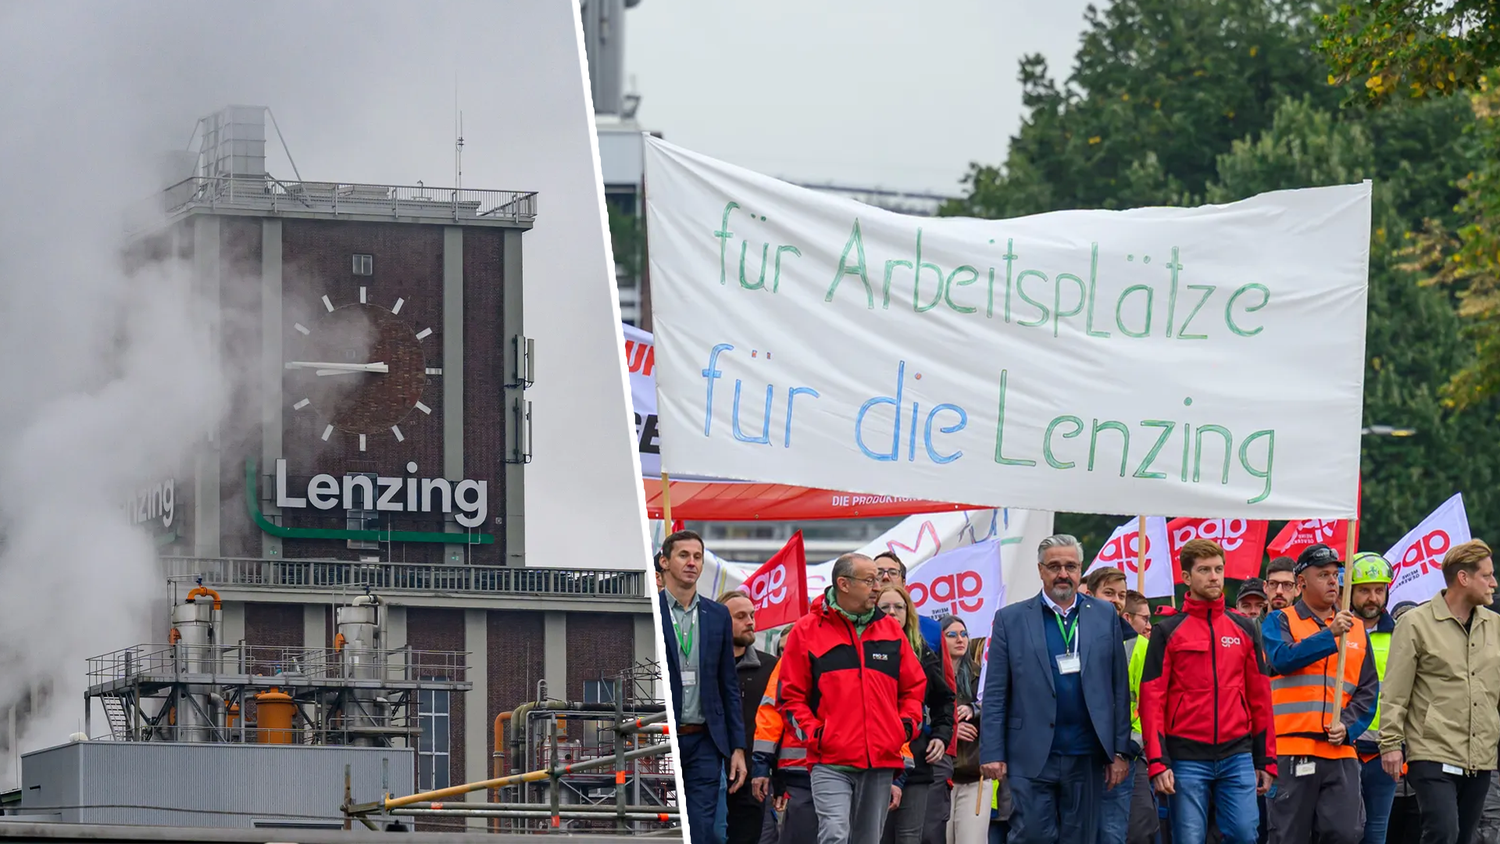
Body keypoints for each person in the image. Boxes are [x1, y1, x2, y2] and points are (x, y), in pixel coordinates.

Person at [980, 534, 1132, 844]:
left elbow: (1118, 688)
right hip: (1031, 753)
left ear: (1080, 570)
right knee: (1032, 835)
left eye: (1071, 566)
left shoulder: (1104, 616)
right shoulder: (1010, 619)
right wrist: (992, 751)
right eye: (1054, 566)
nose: (1063, 574)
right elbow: (996, 692)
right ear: (1040, 570)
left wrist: (1120, 751)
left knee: (1080, 838)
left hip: (1087, 753)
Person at [779, 553, 927, 844]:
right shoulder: (806, 631)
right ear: (843, 584)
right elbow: (790, 697)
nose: (878, 586)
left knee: (867, 839)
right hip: (830, 760)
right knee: (834, 834)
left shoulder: (891, 630)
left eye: (880, 579)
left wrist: (903, 729)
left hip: (881, 760)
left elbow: (913, 689)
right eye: (870, 580)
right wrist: (817, 735)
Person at [1139, 538, 1276, 844]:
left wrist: (1266, 759)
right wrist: (1158, 762)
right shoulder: (1166, 631)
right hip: (1186, 755)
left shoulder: (1245, 627)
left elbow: (1261, 698)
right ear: (1187, 577)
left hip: (1237, 753)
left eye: (1218, 569)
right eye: (1204, 570)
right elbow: (1151, 700)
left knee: (1244, 834)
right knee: (1188, 839)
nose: (1214, 576)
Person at [1379, 539, 1500, 844]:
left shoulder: (1496, 626)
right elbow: (1395, 690)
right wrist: (1391, 743)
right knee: (1443, 833)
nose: (1494, 583)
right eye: (1487, 575)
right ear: (1464, 578)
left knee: (1464, 838)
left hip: (1481, 756)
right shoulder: (1415, 624)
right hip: (1431, 752)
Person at [1261, 543, 1378, 844]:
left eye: (1335, 574)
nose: (1332, 581)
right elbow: (1282, 659)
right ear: (1301, 584)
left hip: (1340, 751)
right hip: (1291, 749)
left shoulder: (1356, 628)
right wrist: (1330, 636)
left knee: (1346, 834)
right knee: (1288, 836)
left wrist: (1349, 726)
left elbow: (1368, 689)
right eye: (1323, 574)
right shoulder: (1280, 620)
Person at [658, 530, 748, 844]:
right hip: (662, 739)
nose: (692, 563)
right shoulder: (651, 609)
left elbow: (728, 683)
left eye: (697, 557)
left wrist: (737, 747)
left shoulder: (717, 615)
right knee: (659, 822)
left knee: (704, 828)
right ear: (664, 562)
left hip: (704, 740)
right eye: (684, 555)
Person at [876, 585, 954, 844]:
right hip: (875, 758)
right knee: (876, 835)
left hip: (917, 755)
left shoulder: (921, 652)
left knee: (910, 836)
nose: (891, 612)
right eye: (884, 607)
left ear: (908, 613)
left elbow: (944, 699)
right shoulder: (862, 653)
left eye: (898, 607)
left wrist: (942, 736)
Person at [1344, 554, 1397, 844]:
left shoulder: (1400, 634)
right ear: (1349, 592)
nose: (1372, 598)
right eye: (1364, 590)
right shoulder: (1335, 632)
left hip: (1383, 749)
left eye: (1379, 590)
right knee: (1340, 831)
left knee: (1376, 833)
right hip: (1343, 746)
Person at [721, 590, 780, 844]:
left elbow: (780, 725)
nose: (751, 622)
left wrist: (778, 776)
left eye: (752, 615)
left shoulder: (772, 666)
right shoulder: (706, 666)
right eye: (741, 616)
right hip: (711, 774)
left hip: (754, 777)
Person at [1086, 566, 1138, 844]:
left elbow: (1148, 705)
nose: (1117, 600)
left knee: (1111, 835)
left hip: (1118, 758)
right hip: (1078, 755)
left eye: (1121, 595)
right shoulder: (1073, 637)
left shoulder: (1139, 645)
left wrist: (1126, 750)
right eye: (1109, 593)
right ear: (1089, 595)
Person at [942, 615, 994, 844]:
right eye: (951, 635)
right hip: (939, 778)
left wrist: (975, 709)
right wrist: (952, 729)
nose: (960, 639)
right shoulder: (927, 673)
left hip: (975, 776)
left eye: (963, 634)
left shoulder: (981, 676)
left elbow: (997, 708)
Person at [1122, 591, 1159, 844]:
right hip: (1113, 751)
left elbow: (1150, 705)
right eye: (1144, 619)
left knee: (1141, 825)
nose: (1149, 626)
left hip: (1135, 751)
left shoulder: (1144, 648)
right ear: (1127, 617)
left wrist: (1134, 743)